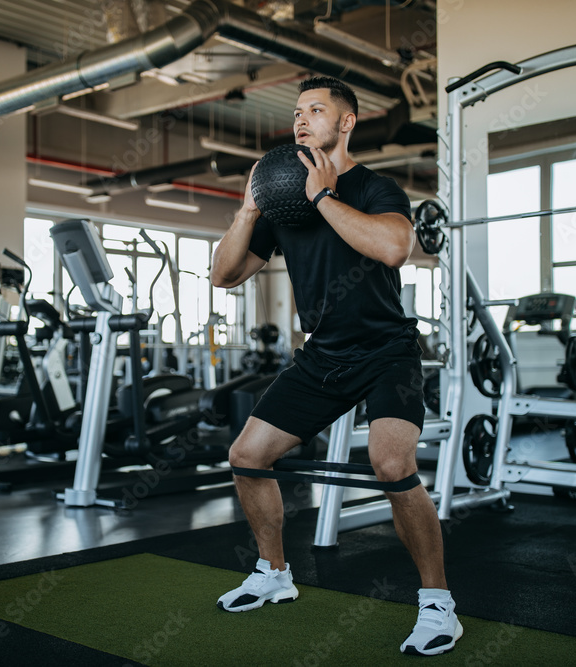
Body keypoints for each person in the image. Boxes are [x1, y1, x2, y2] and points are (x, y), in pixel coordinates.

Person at [209, 76, 462, 656]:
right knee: (246, 455)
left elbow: (396, 247)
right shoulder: (280, 198)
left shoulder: (375, 186)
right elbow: (224, 276)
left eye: (316, 110)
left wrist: (325, 197)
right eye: (297, 111)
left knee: (390, 461)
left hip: (386, 351)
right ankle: (274, 572)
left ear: (345, 123)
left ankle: (438, 604)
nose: (301, 119)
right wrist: (249, 209)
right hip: (323, 354)